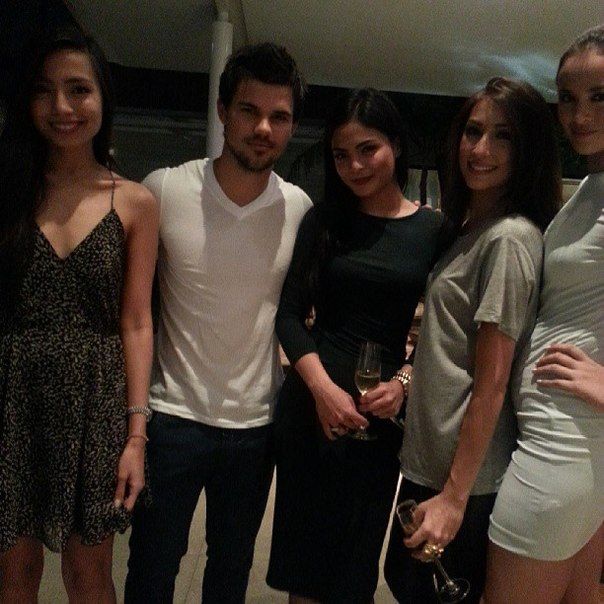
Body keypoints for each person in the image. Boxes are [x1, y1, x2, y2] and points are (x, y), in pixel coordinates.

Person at [124, 43, 311, 604]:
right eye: (249, 110)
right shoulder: (165, 188)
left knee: (230, 572)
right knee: (152, 568)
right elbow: (134, 312)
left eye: (279, 116)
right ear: (223, 111)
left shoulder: (299, 208)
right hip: (171, 417)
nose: (263, 128)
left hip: (255, 425)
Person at [266, 88, 449, 603]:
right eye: (341, 155)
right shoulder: (324, 220)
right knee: (305, 573)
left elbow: (443, 332)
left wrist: (404, 383)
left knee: (354, 569)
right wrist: (322, 390)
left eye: (368, 149)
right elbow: (288, 315)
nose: (354, 166)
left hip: (379, 420)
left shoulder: (432, 229)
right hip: (312, 412)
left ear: (396, 145)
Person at [384, 77, 561, 603]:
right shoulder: (470, 231)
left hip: (464, 479)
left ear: (528, 151)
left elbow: (492, 383)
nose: (480, 149)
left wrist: (455, 499)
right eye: (473, 131)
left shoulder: (508, 239)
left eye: (503, 136)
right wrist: (404, 380)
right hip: (433, 463)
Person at [0, 29, 158, 603]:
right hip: (12, 393)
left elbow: (136, 321)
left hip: (97, 400)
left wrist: (136, 436)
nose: (61, 107)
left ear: (102, 99)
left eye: (78, 90)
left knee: (88, 573)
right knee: (13, 570)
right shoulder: (8, 188)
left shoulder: (134, 200)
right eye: (45, 91)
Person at [484, 25, 604, 604]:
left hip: (560, 450)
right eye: (568, 97)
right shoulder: (591, 185)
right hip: (570, 446)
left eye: (600, 96)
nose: (580, 116)